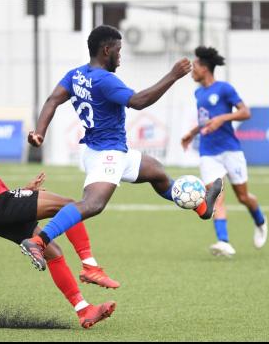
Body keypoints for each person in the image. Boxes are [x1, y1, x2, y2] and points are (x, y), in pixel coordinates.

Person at [22, 25, 223, 271]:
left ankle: (203, 207)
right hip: (108, 155)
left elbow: (53, 100)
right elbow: (138, 102)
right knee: (92, 204)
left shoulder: (76, 75)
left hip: (107, 150)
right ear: (106, 50)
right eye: (118, 50)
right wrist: (172, 75)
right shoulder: (106, 81)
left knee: (157, 173)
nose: (120, 55)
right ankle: (38, 241)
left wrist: (39, 132)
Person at [0, 115, 118, 328]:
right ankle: (89, 266)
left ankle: (84, 310)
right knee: (69, 206)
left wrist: (24, 191)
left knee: (54, 253)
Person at [181, 46, 268, 257]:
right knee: (216, 196)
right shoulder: (198, 92)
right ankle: (223, 241)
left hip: (231, 151)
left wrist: (222, 118)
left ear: (205, 68)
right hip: (208, 152)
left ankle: (260, 221)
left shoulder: (225, 89)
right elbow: (204, 120)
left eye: (195, 67)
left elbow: (245, 112)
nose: (192, 71)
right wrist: (193, 132)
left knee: (244, 197)